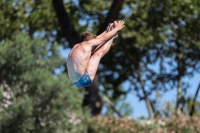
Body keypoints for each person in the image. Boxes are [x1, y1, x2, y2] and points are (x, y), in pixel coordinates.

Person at [67, 20, 125, 88]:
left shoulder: (76, 46)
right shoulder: (88, 44)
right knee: (98, 54)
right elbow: (102, 39)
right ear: (90, 41)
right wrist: (116, 28)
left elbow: (97, 38)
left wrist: (108, 30)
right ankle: (112, 36)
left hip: (74, 82)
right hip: (84, 80)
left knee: (93, 54)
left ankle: (111, 32)